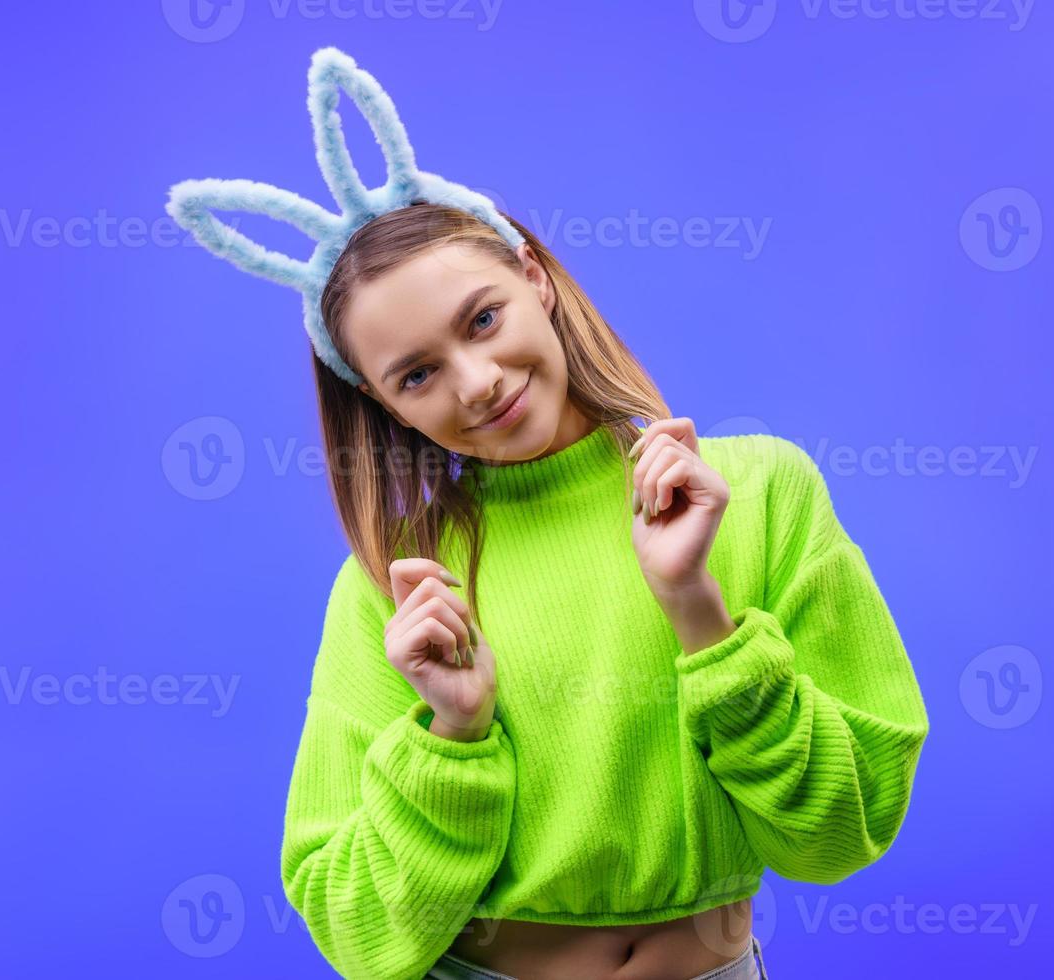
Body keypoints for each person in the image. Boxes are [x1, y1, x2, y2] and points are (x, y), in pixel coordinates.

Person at [166, 47, 929, 980]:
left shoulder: (758, 493)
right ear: (383, 403)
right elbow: (359, 934)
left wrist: (697, 607)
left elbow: (841, 836)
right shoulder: (395, 593)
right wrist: (455, 732)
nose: (477, 383)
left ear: (534, 275)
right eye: (416, 374)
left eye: (481, 319)